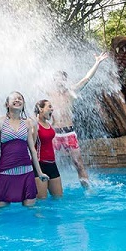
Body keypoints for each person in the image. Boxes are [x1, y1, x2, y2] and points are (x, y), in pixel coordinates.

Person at [48, 52, 108, 188]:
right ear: (54, 81)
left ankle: (87, 190)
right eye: (57, 78)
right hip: (54, 134)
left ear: (65, 80)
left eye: (62, 78)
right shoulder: (49, 93)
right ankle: (50, 190)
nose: (60, 81)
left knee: (78, 163)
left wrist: (97, 62)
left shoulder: (71, 91)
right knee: (48, 163)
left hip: (69, 132)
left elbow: (87, 78)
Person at [0, 91, 48, 207]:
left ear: (23, 104)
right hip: (6, 171)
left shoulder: (28, 123)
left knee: (30, 210)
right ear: (7, 104)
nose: (17, 100)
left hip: (26, 171)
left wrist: (40, 172)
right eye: (14, 98)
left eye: (20, 99)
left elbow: (32, 149)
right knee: (1, 210)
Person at [33, 99, 62, 199]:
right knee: (41, 202)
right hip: (40, 165)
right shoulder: (34, 125)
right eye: (49, 107)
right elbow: (31, 145)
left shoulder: (48, 124)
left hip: (52, 164)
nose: (52, 109)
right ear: (40, 109)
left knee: (58, 198)